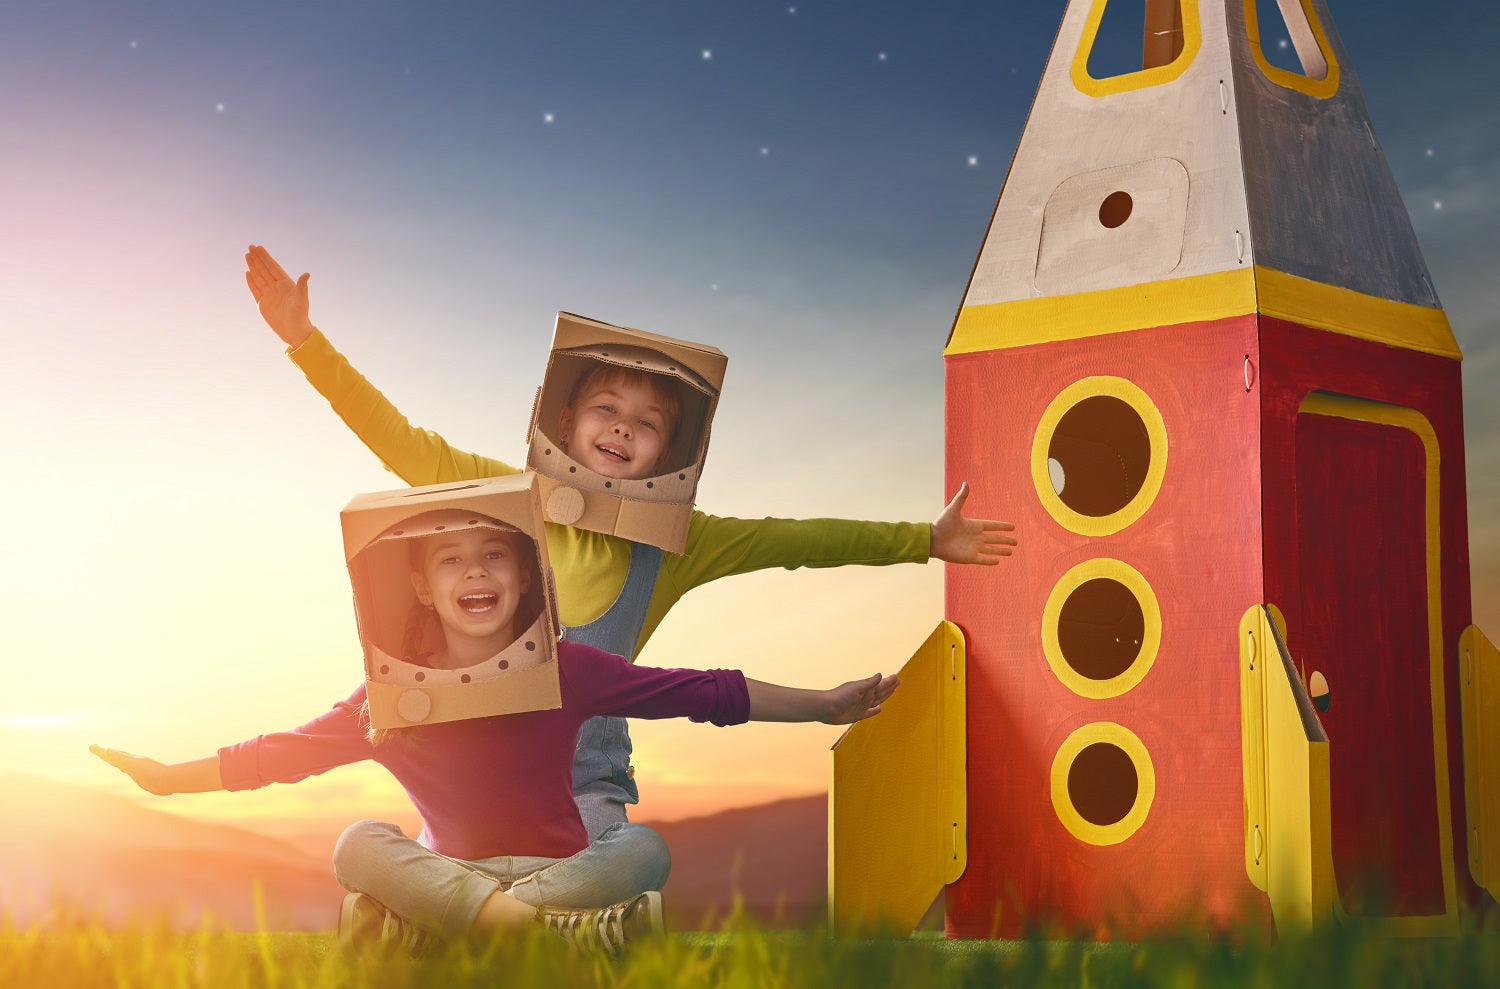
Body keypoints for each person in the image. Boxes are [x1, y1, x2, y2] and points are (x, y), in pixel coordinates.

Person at [242, 244, 1014, 839]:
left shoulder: (673, 547)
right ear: (564, 424)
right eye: (605, 408)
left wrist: (923, 539)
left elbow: (794, 539)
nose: (621, 427)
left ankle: (589, 903)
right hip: (471, 785)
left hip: (585, 790)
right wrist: (305, 341)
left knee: (596, 855)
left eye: (647, 424)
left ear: (667, 457)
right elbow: (396, 438)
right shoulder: (501, 501)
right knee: (449, 884)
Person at [92, 515, 899, 956]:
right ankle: (554, 936)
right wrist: (170, 777)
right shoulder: (387, 697)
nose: (474, 573)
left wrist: (824, 703)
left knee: (643, 848)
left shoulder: (569, 667)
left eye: (492, 557)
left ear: (521, 578)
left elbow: (698, 691)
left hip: (562, 867)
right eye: (451, 560)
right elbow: (278, 753)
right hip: (450, 867)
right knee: (354, 844)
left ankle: (474, 924)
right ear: (422, 583)